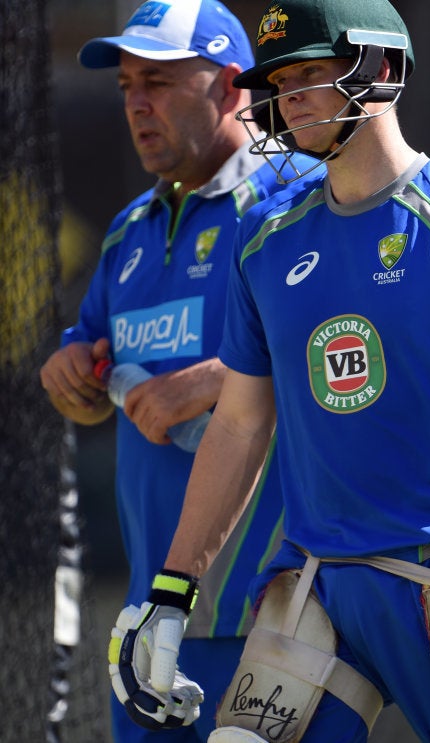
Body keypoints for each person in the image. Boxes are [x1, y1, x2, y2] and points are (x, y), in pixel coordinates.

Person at [103, 0, 430, 741]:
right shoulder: (263, 238)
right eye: (280, 82)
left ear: (381, 70)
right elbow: (241, 422)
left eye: (312, 74)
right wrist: (170, 589)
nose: (289, 99)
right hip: (318, 580)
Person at [39, 1, 319, 740]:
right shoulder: (131, 228)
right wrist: (73, 367)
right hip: (148, 621)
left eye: (158, 82)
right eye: (127, 84)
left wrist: (208, 383)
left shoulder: (297, 204)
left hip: (270, 619)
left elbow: (344, 359)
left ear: (230, 85)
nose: (136, 103)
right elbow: (94, 356)